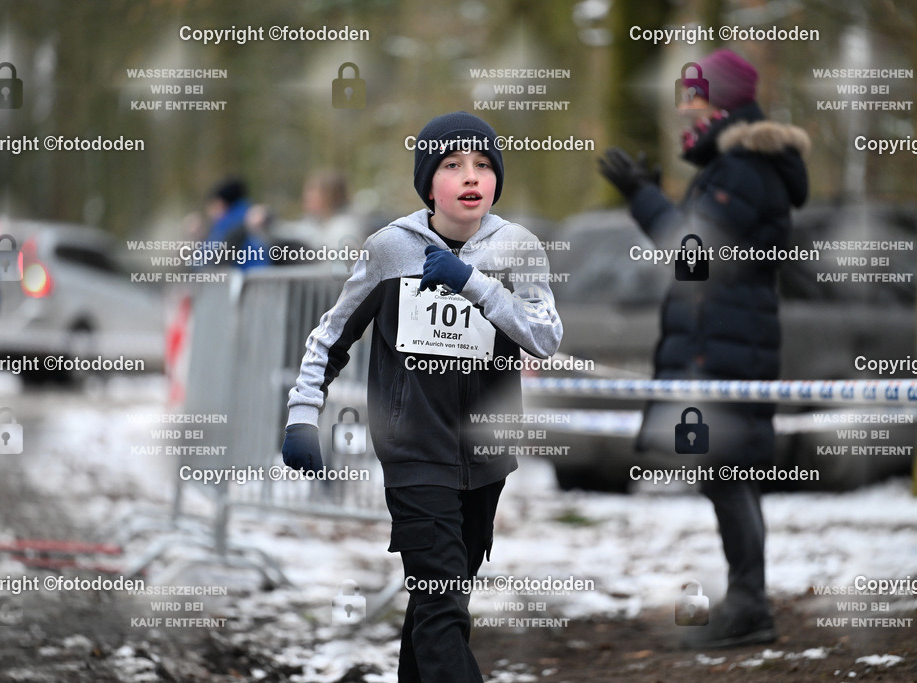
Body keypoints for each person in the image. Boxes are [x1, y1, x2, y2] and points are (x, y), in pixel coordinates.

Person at [281, 111, 563, 681]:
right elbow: (330, 336)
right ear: (427, 181)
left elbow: (545, 339)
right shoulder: (391, 249)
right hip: (413, 455)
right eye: (453, 164)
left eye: (483, 165)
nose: (471, 176)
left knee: (441, 602)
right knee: (440, 605)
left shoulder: (519, 248)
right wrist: (302, 414)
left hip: (486, 457)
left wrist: (474, 285)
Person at [599, 49, 810, 649]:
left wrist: (642, 196)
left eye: (701, 96)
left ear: (725, 103)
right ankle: (750, 599)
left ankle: (750, 603)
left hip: (725, 337)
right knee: (725, 469)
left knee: (727, 470)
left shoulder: (746, 165)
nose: (691, 109)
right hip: (722, 333)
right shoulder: (733, 163)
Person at [202, 177, 270, 269]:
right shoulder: (248, 216)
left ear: (221, 203)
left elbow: (211, 257)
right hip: (260, 275)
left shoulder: (228, 225)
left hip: (243, 276)